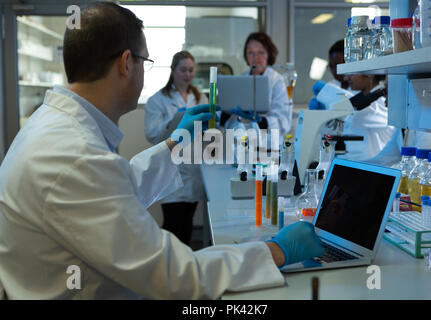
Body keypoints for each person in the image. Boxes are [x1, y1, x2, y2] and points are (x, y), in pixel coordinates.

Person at [0, 2, 323, 299]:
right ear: (127, 63)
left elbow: (116, 189)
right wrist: (274, 251)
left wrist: (173, 144)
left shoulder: (53, 126)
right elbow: (177, 276)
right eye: (146, 61)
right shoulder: (73, 153)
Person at [145, 51, 208, 246]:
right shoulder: (157, 100)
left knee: (187, 225)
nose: (187, 74)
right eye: (182, 70)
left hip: (193, 170)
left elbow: (207, 131)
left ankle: (183, 267)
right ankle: (164, 268)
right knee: (173, 226)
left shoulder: (200, 98)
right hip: (171, 170)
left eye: (190, 70)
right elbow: (153, 135)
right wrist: (174, 121)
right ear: (173, 70)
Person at [224, 32, 291, 142]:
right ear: (246, 56)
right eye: (251, 53)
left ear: (269, 54)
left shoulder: (277, 81)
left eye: (261, 52)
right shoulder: (240, 79)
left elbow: (283, 122)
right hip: (243, 143)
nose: (256, 58)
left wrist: (261, 121)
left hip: (269, 146)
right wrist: (226, 115)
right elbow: (230, 123)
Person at [338, 74, 396, 162]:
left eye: (352, 74)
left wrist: (325, 93)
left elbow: (356, 115)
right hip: (357, 163)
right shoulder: (363, 100)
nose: (346, 78)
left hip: (373, 166)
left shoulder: (380, 103)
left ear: (370, 74)